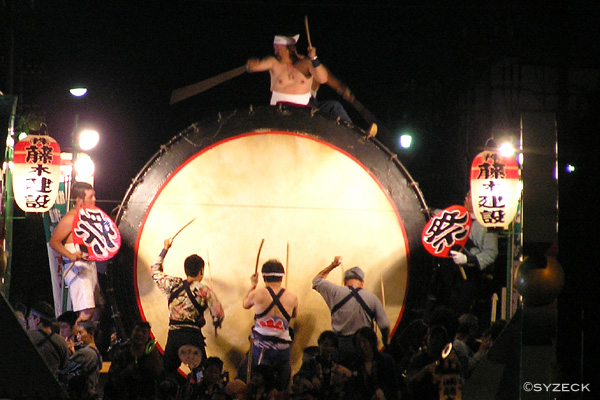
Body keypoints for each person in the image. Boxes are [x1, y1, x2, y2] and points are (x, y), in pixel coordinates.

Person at [151, 237, 225, 377]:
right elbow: (218, 313)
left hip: (174, 336)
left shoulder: (172, 284)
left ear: (185, 270)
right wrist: (216, 322)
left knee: (167, 373)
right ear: (201, 271)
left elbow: (154, 270)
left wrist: (165, 248)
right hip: (193, 337)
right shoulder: (204, 291)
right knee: (201, 375)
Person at [312, 257, 390, 366]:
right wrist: (386, 343)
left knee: (341, 377)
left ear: (344, 282)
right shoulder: (372, 298)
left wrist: (333, 265)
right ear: (362, 282)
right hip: (363, 345)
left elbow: (317, 280)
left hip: (340, 345)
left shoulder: (334, 292)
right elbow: (385, 326)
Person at [243, 259, 298, 393]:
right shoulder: (293, 297)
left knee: (256, 383)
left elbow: (245, 304)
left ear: (264, 277)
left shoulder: (257, 294)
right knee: (281, 387)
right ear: (281, 277)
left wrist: (253, 285)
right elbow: (294, 315)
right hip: (283, 348)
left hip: (261, 347)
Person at [49, 181, 99, 324]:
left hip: (89, 265)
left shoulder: (87, 217)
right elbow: (54, 242)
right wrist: (71, 255)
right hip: (77, 267)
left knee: (98, 305)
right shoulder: (70, 218)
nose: (94, 200)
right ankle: (73, 338)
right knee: (86, 311)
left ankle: (85, 338)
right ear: (79, 200)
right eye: (91, 196)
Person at [446, 191, 499, 313]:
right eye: (467, 195)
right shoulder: (456, 218)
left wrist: (468, 259)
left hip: (472, 278)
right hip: (451, 276)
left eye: (469, 196)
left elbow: (491, 253)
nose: (465, 198)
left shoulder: (487, 224)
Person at [246, 34, 328, 106]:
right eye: (274, 48)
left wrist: (314, 58)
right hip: (278, 108)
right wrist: (252, 65)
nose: (275, 51)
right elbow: (256, 66)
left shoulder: (306, 63)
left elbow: (323, 79)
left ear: (288, 48)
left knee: (334, 106)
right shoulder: (273, 62)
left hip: (303, 109)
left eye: (278, 48)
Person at [103, 320, 165, 400]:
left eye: (144, 332)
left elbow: (160, 377)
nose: (140, 334)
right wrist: (127, 371)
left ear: (148, 337)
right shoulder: (122, 354)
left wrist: (155, 360)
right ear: (132, 333)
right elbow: (112, 380)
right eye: (137, 330)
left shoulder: (151, 356)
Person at [351, 327, 400, 400]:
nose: (361, 346)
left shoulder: (386, 360)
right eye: (358, 343)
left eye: (364, 341)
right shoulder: (355, 365)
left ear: (372, 342)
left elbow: (395, 385)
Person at [61, 321, 103, 399]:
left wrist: (64, 349)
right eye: (77, 333)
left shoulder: (85, 352)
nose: (78, 336)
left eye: (80, 333)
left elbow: (64, 368)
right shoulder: (95, 351)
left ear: (91, 333)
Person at [27, 301, 70, 377]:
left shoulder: (28, 337)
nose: (28, 321)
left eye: (30, 318)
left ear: (37, 320)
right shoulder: (61, 341)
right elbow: (64, 367)